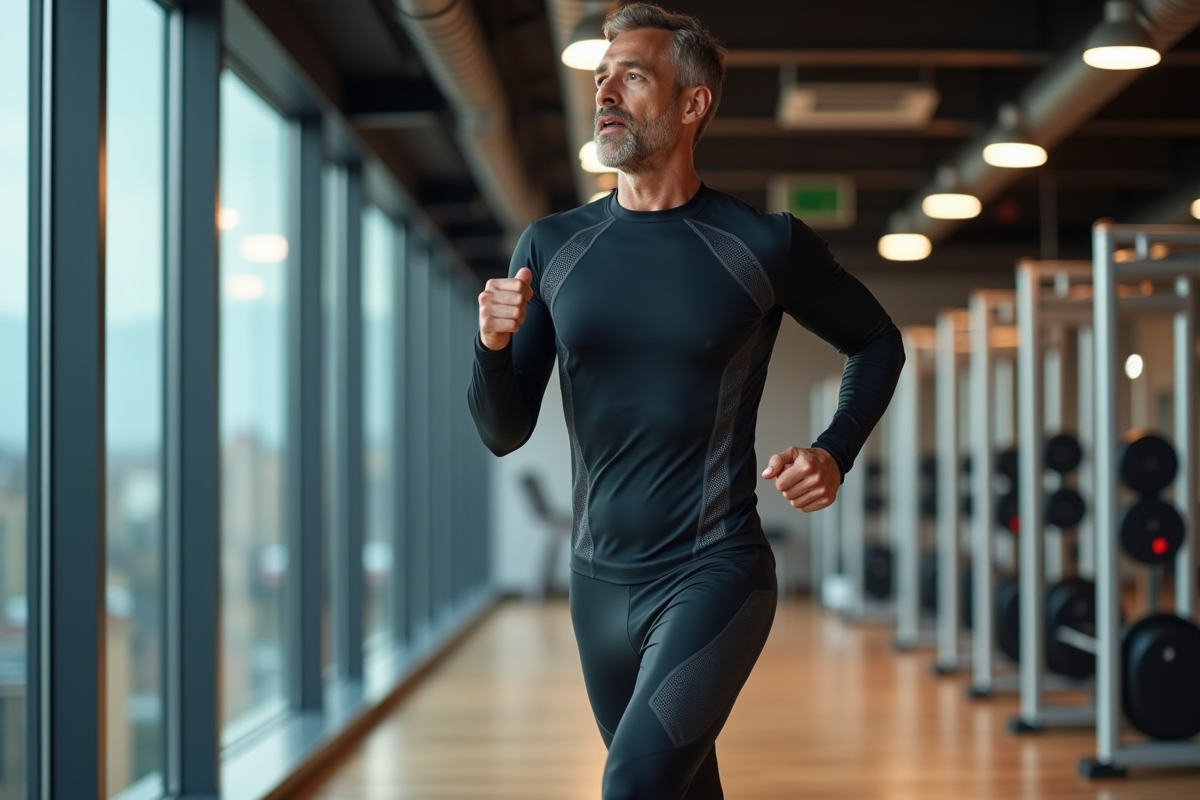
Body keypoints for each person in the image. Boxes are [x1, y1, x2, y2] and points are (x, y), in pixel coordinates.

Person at [468, 4, 905, 798]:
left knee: (633, 785)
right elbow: (504, 430)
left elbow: (878, 341)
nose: (606, 93)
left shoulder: (761, 243)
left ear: (692, 104)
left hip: (716, 570)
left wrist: (834, 450)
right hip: (596, 586)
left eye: (631, 77)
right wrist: (492, 347)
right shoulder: (552, 246)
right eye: (602, 79)